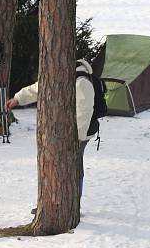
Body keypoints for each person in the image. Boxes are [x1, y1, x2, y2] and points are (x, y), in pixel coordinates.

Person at [5, 59, 96, 209]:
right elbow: (38, 88)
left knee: (74, 169)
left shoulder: (81, 82)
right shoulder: (61, 77)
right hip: (64, 132)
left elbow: (84, 113)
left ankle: (72, 207)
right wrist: (18, 99)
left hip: (80, 135)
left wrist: (77, 138)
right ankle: (54, 205)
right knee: (59, 168)